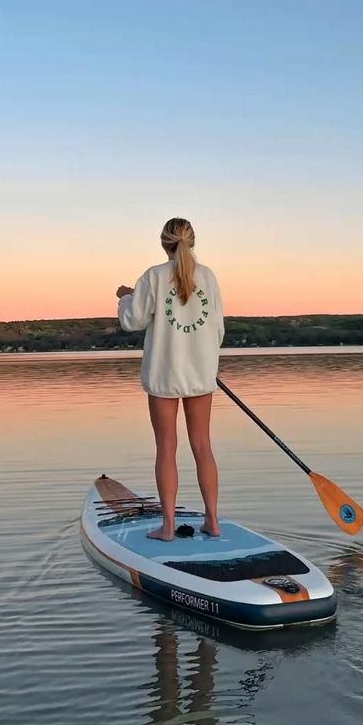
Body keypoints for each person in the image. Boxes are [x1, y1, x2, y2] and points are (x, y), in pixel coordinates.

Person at [116, 218, 224, 541]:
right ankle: (213, 521)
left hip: (164, 374)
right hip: (200, 375)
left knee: (166, 446)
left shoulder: (154, 277)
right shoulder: (208, 276)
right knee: (202, 446)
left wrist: (125, 299)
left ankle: (167, 527)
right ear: (192, 241)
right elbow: (217, 330)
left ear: (164, 243)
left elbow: (132, 320)